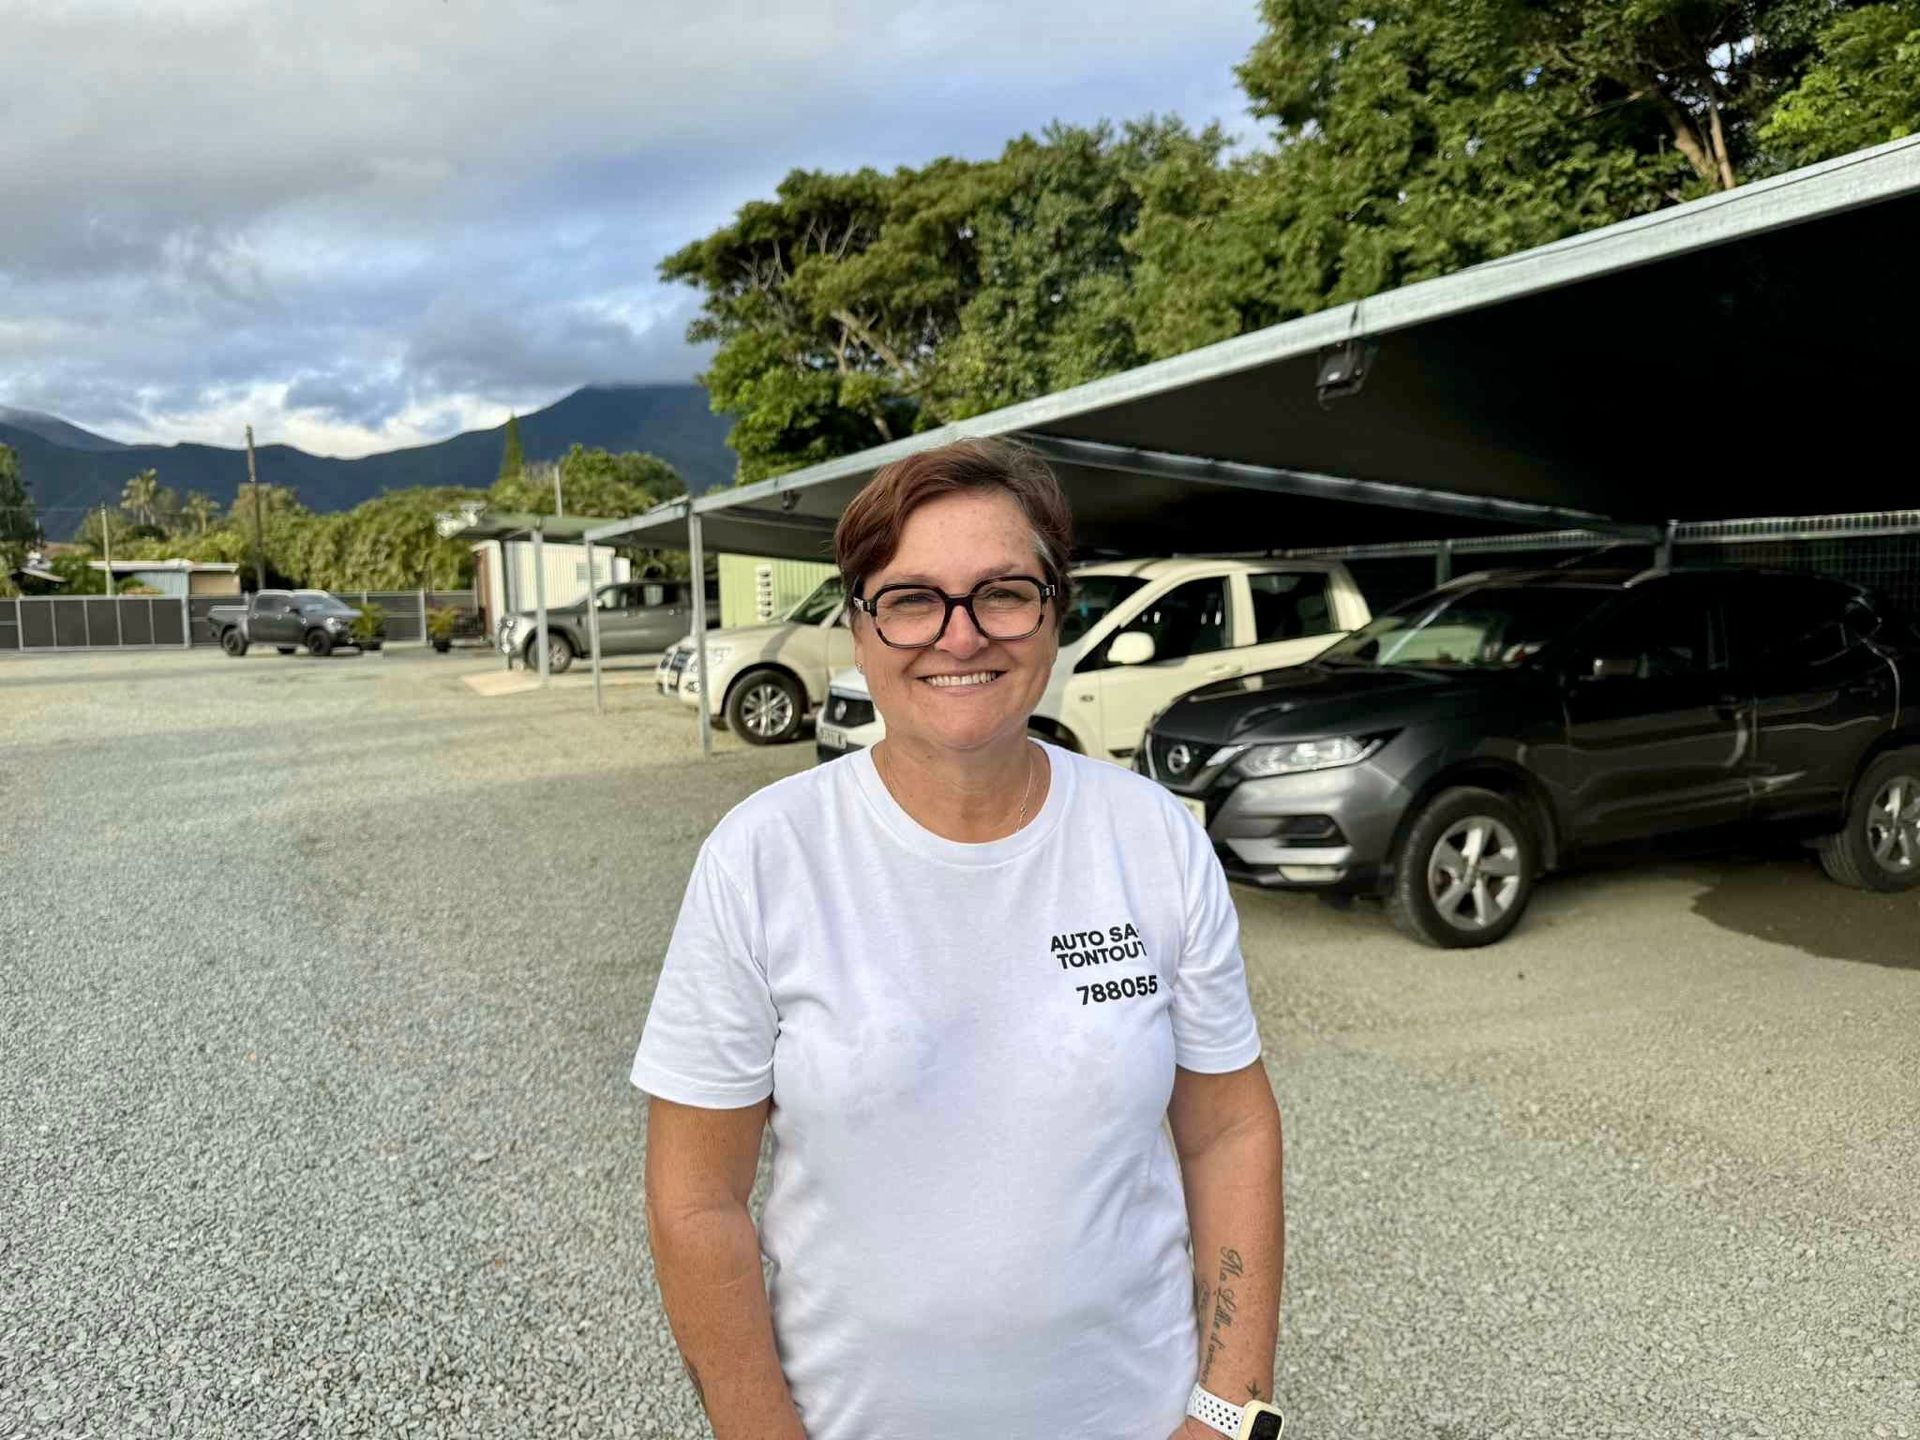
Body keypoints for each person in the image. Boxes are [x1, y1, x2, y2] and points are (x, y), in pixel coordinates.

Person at [633, 439, 1286, 1440]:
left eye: (1003, 592)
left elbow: (1229, 1132)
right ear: (860, 629)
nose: (960, 634)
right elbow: (694, 1196)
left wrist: (1228, 1410)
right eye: (911, 599)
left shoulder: (1152, 839)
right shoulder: (764, 858)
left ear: (1055, 613)